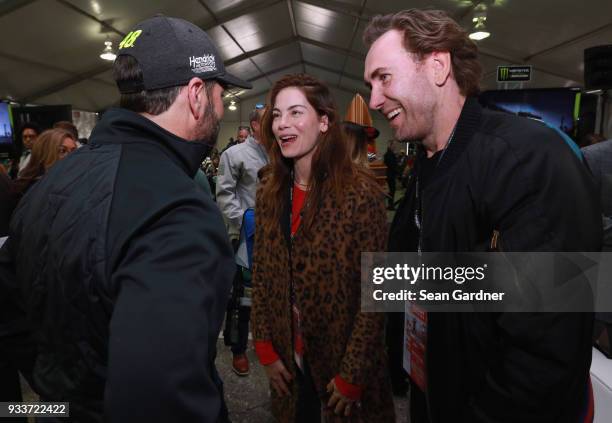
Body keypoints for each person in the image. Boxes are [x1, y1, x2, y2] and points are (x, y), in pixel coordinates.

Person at [0, 15, 251, 422]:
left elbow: (9, 310)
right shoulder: (178, 212)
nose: (222, 107)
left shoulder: (53, 181)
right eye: (220, 94)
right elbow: (161, 401)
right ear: (195, 95)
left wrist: (60, 391)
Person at [363, 9, 601, 423]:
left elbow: (546, 354)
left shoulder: (526, 159)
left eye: (384, 78)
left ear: (437, 65)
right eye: (370, 84)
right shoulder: (428, 163)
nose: (373, 100)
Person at [251, 74, 395, 422]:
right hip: (289, 367)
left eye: (296, 113)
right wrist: (266, 348)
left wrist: (352, 375)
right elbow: (261, 274)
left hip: (343, 370)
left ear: (325, 121)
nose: (283, 124)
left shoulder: (361, 194)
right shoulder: (269, 191)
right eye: (276, 115)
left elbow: (377, 292)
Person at [217, 108, 268, 376]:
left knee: (269, 293)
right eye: (269, 120)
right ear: (254, 125)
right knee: (242, 298)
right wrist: (243, 225)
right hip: (245, 237)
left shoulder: (281, 151)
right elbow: (225, 194)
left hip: (274, 236)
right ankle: (238, 349)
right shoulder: (234, 155)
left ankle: (267, 342)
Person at [12, 128, 77, 197]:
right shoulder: (32, 191)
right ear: (44, 155)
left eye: (74, 151)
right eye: (62, 151)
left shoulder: (76, 181)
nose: (71, 156)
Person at [383, 140, 398, 210]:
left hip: (391, 175)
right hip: (390, 175)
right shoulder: (389, 154)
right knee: (391, 191)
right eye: (394, 145)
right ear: (390, 145)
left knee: (392, 191)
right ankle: (390, 205)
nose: (395, 146)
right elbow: (392, 165)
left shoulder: (391, 154)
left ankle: (390, 204)